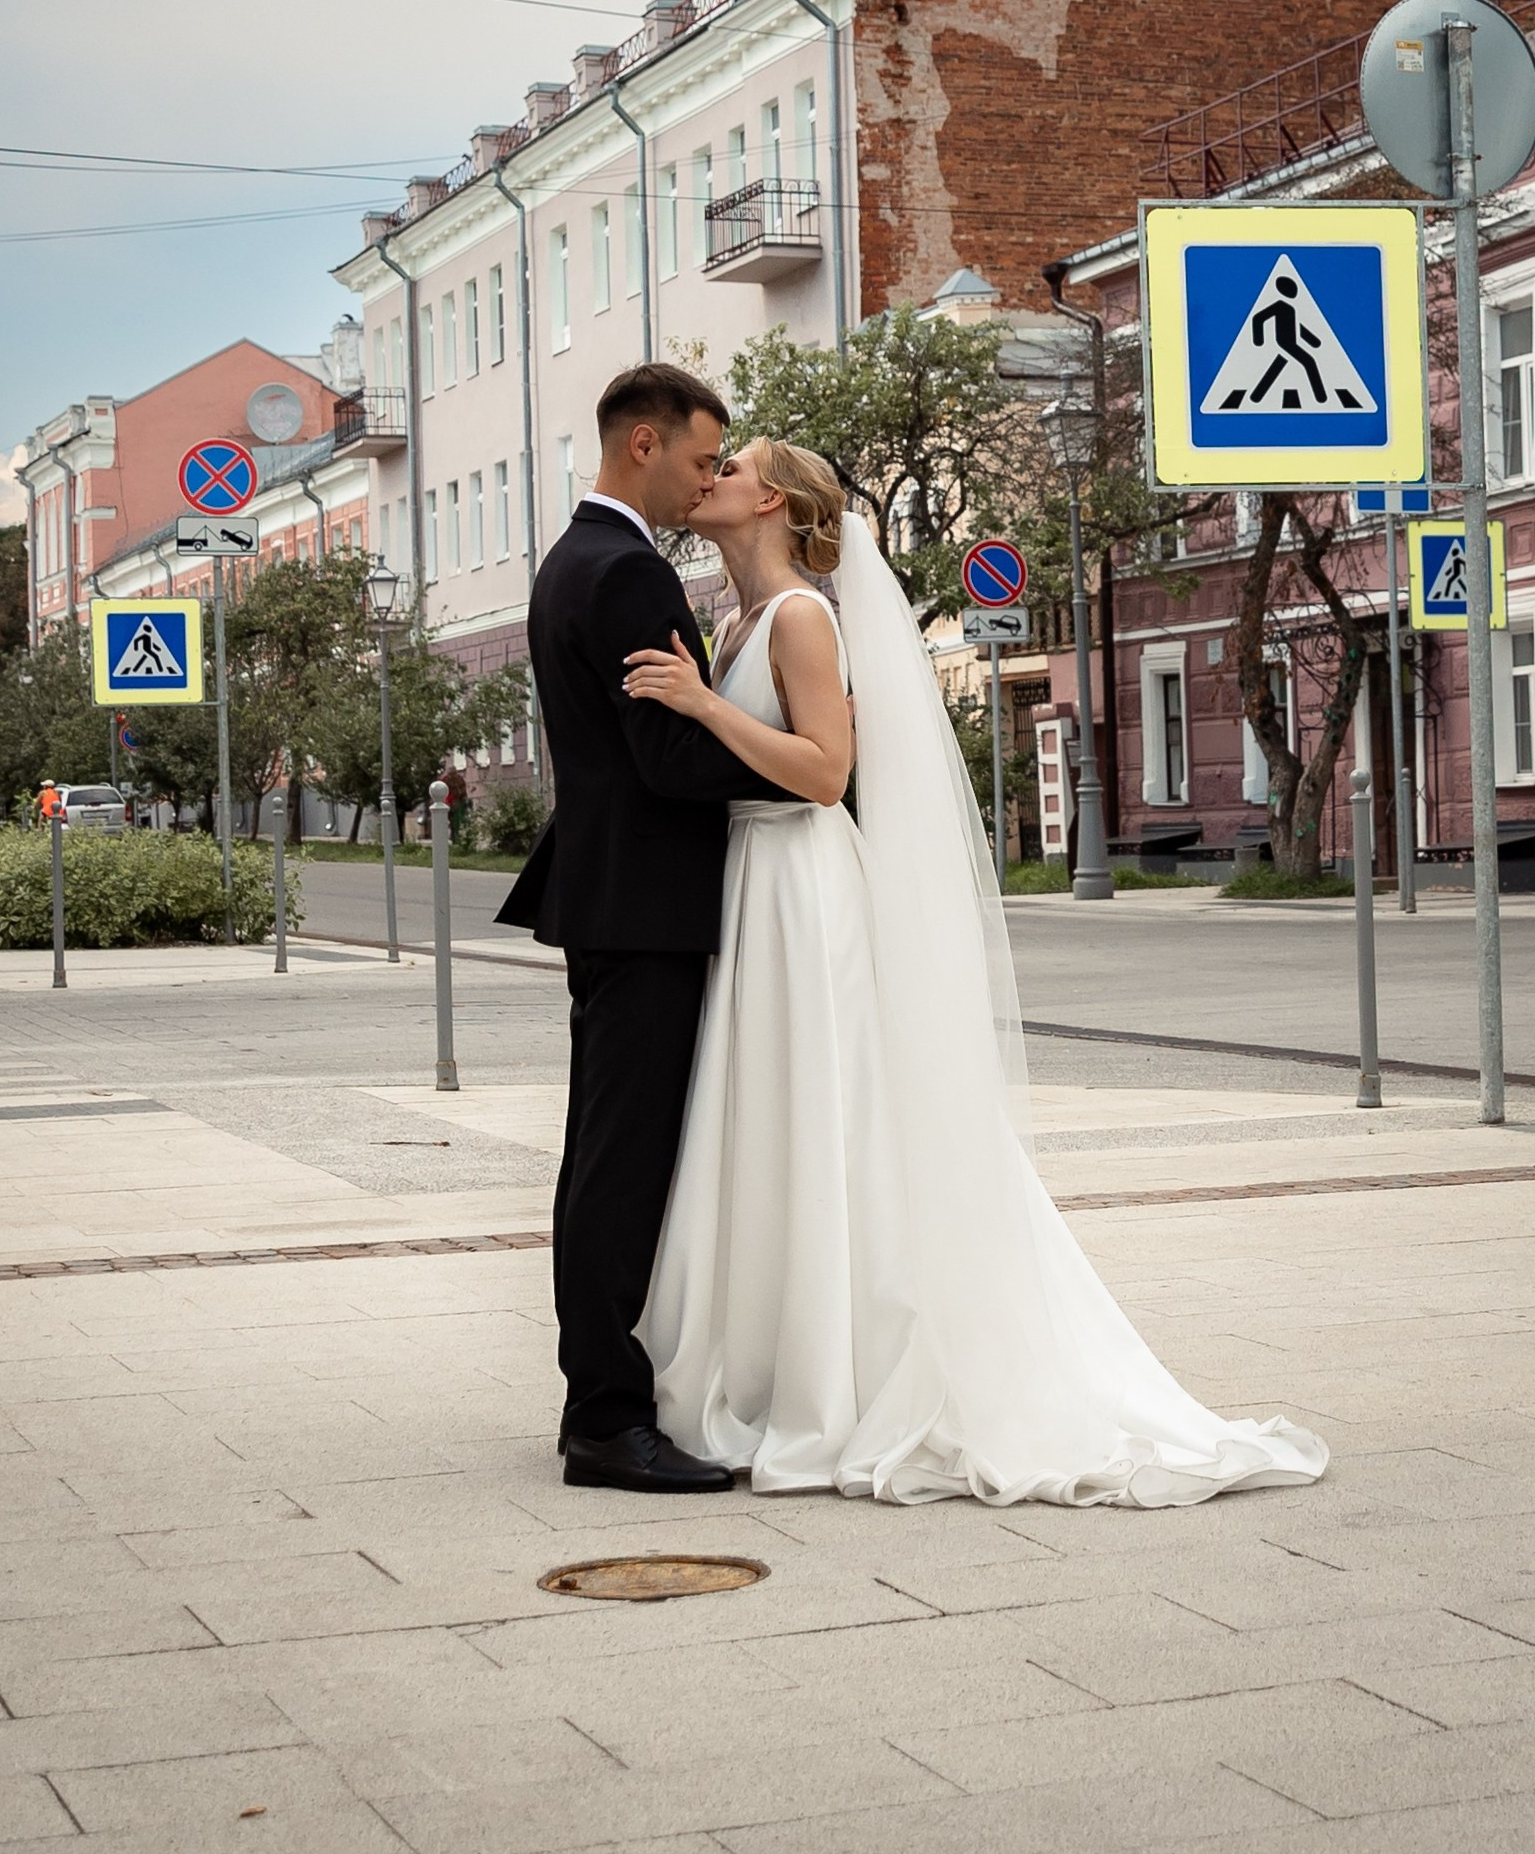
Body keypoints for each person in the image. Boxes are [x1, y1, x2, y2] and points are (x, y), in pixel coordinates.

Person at [622, 436, 1330, 1508]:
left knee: (832, 1108)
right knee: (779, 1115)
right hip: (754, 882)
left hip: (805, 883)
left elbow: (825, 770)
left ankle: (847, 1369)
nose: (706, 474)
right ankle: (776, 1359)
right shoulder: (735, 618)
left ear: (768, 497)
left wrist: (702, 704)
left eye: (728, 466)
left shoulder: (805, 616)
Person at [497, 360, 801, 1495]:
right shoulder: (627, 573)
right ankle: (606, 1418)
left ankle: (609, 1398)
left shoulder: (577, 557)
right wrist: (820, 783)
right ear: (642, 443)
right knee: (621, 1165)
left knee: (607, 1157)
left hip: (616, 900)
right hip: (644, 906)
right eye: (697, 456)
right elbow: (667, 758)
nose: (705, 477)